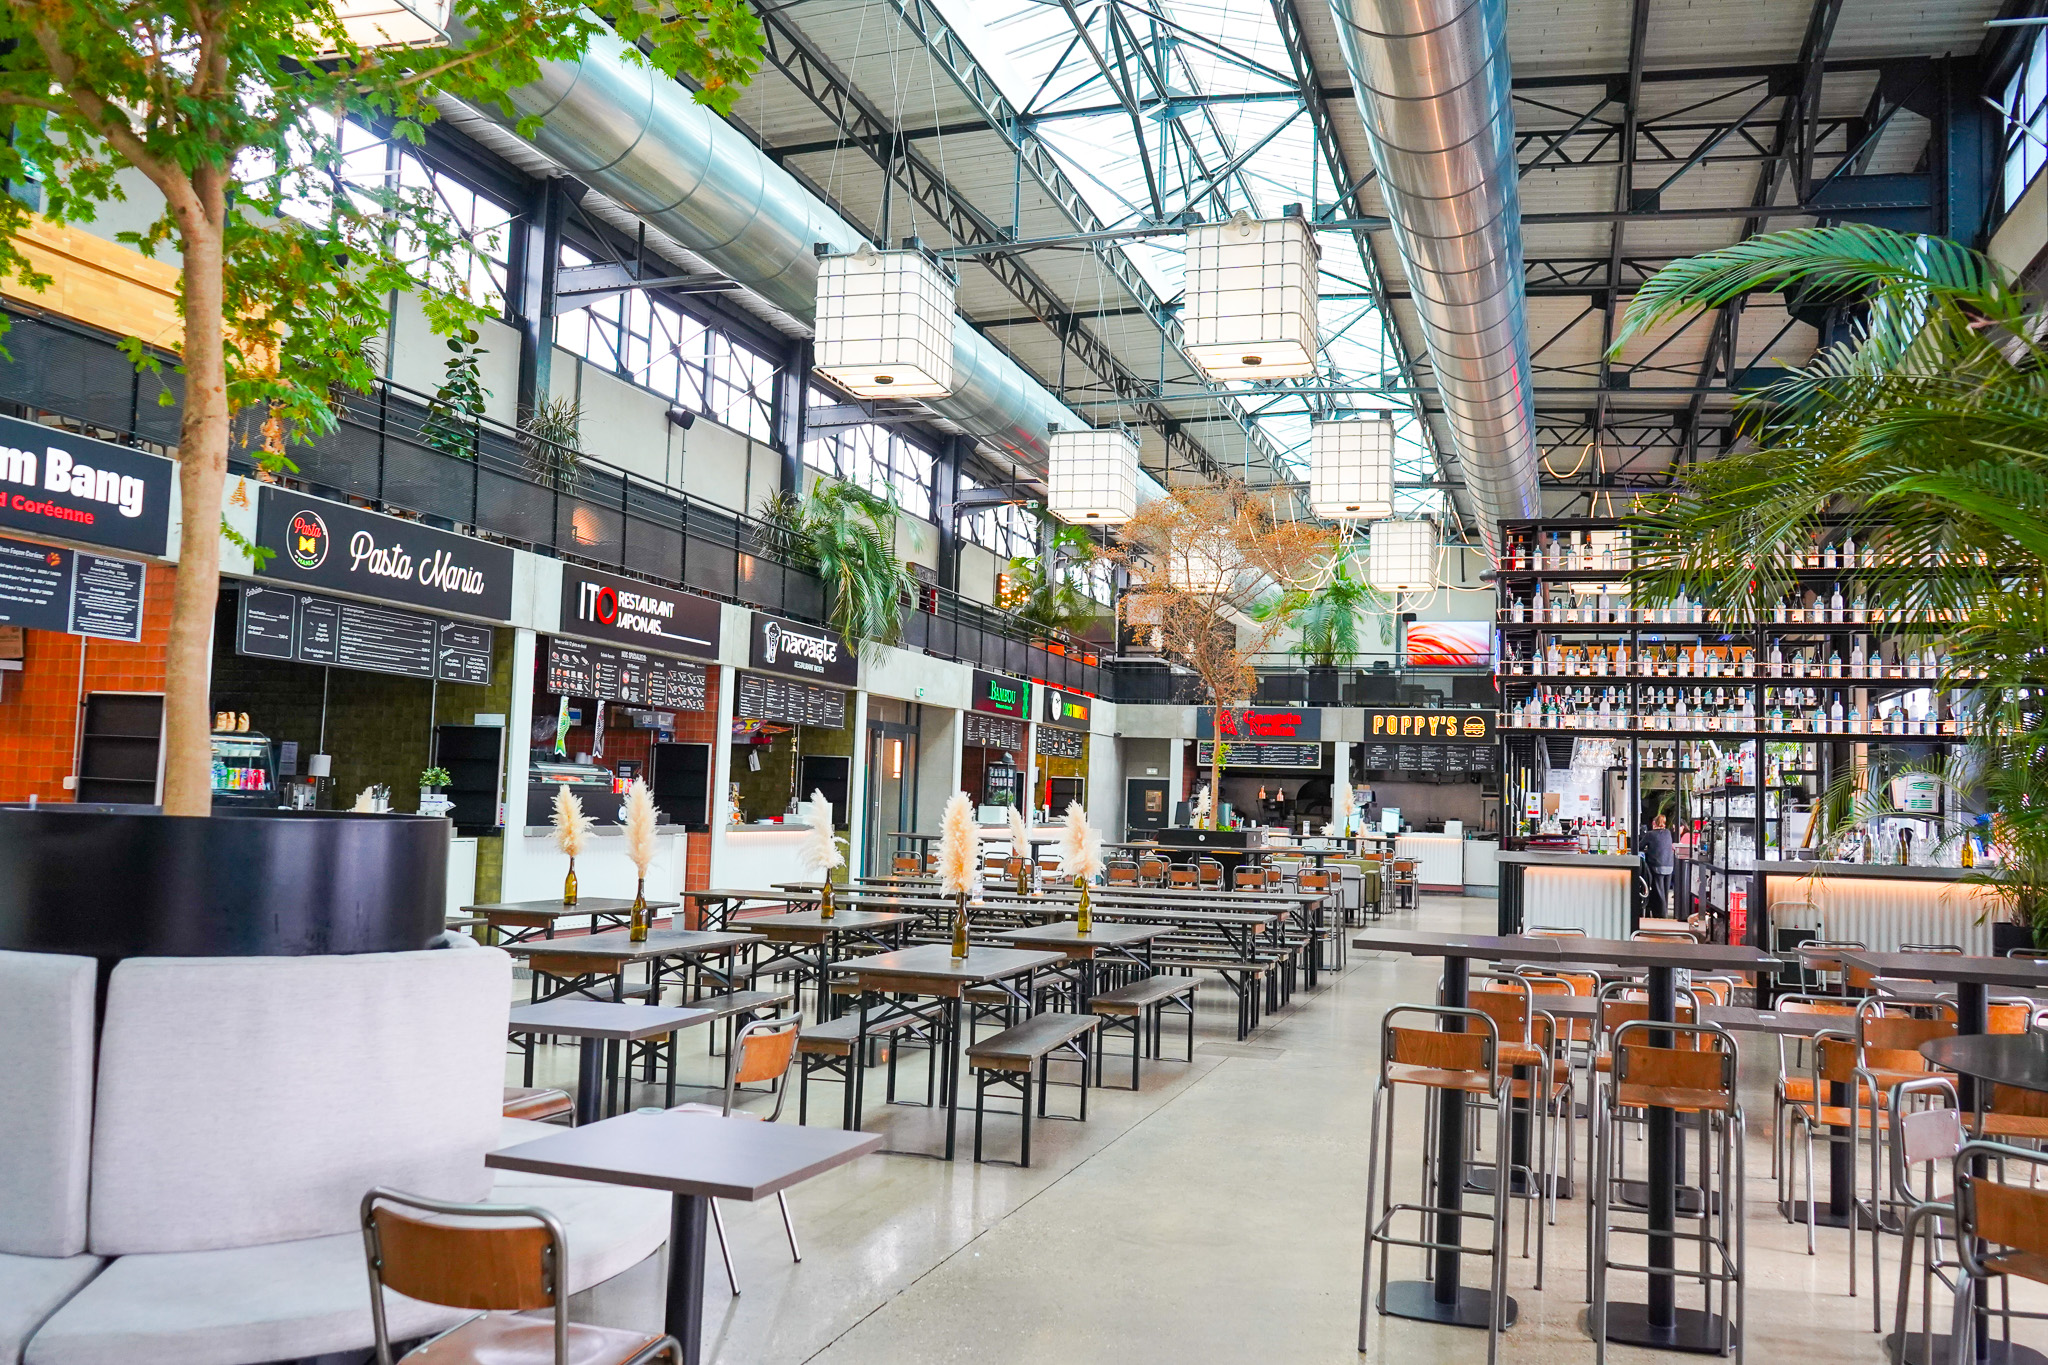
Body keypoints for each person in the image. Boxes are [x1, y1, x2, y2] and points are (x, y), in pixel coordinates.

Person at [1644, 812, 1676, 913]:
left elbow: (1639, 846)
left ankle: (1661, 915)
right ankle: (1665, 912)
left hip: (1657, 865)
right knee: (1665, 892)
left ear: (1654, 823)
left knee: (1659, 892)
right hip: (1669, 865)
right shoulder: (1668, 833)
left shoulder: (1650, 834)